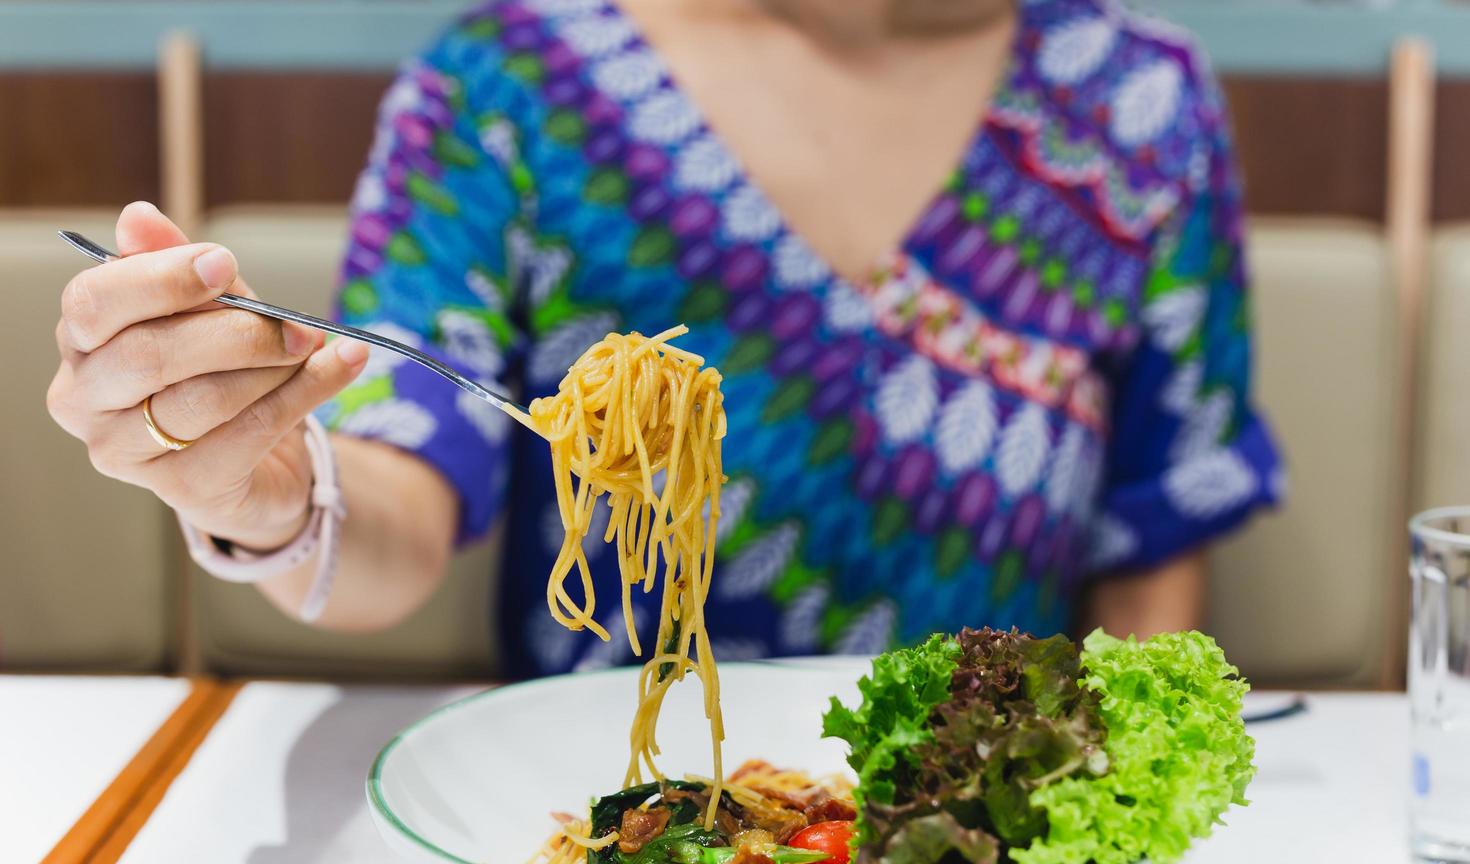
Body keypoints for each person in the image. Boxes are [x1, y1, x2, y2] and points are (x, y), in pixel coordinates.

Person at [46, 0, 1281, 675]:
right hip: (608, 849)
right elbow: (401, 490)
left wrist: (1114, 828)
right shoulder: (507, 87)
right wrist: (267, 491)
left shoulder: (1140, 102)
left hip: (982, 863)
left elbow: (1157, 535)